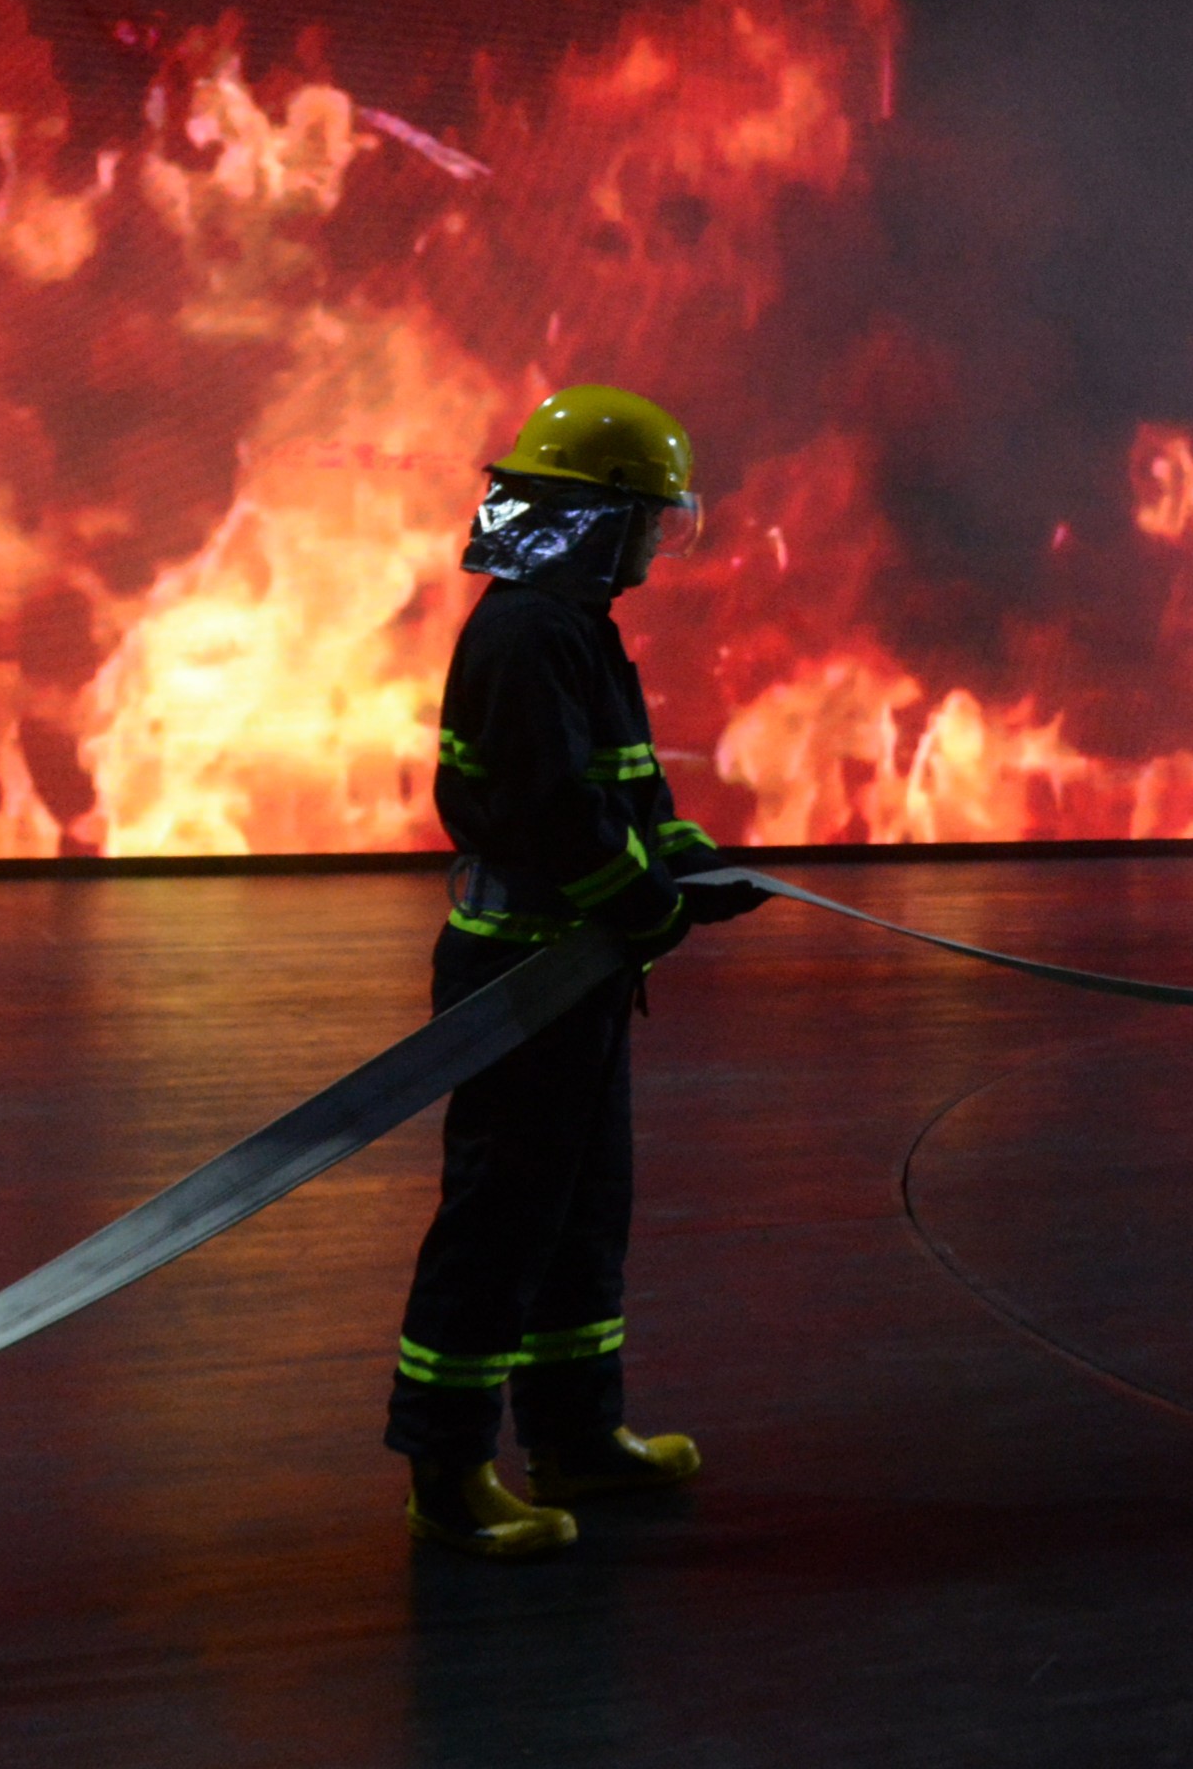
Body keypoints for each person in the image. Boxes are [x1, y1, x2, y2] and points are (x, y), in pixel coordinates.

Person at [384, 385, 767, 1558]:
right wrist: (642, 905)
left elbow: (627, 790)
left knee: (581, 1214)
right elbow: (550, 813)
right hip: (522, 983)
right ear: (591, 518)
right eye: (649, 516)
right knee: (503, 1221)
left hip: (580, 977)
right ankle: (449, 1472)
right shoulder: (525, 634)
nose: (659, 539)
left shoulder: (577, 630)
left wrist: (690, 866)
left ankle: (576, 1437)